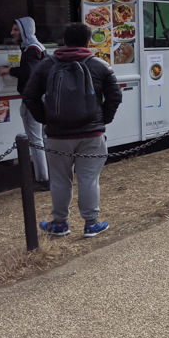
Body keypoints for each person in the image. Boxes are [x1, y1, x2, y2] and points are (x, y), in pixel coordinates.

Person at [23, 23, 122, 237]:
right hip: (92, 135)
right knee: (88, 178)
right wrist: (102, 119)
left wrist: (45, 119)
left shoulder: (46, 65)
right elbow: (115, 96)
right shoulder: (100, 65)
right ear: (88, 41)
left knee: (59, 179)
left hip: (57, 135)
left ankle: (59, 223)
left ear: (64, 41)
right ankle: (91, 224)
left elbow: (29, 96)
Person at [0, 17, 49, 190]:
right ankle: (51, 175)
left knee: (35, 141)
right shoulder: (37, 47)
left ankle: (42, 179)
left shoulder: (32, 50)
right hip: (42, 98)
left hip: (32, 100)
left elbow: (30, 71)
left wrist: (8, 70)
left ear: (25, 31)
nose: (12, 33)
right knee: (43, 138)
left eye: (16, 30)